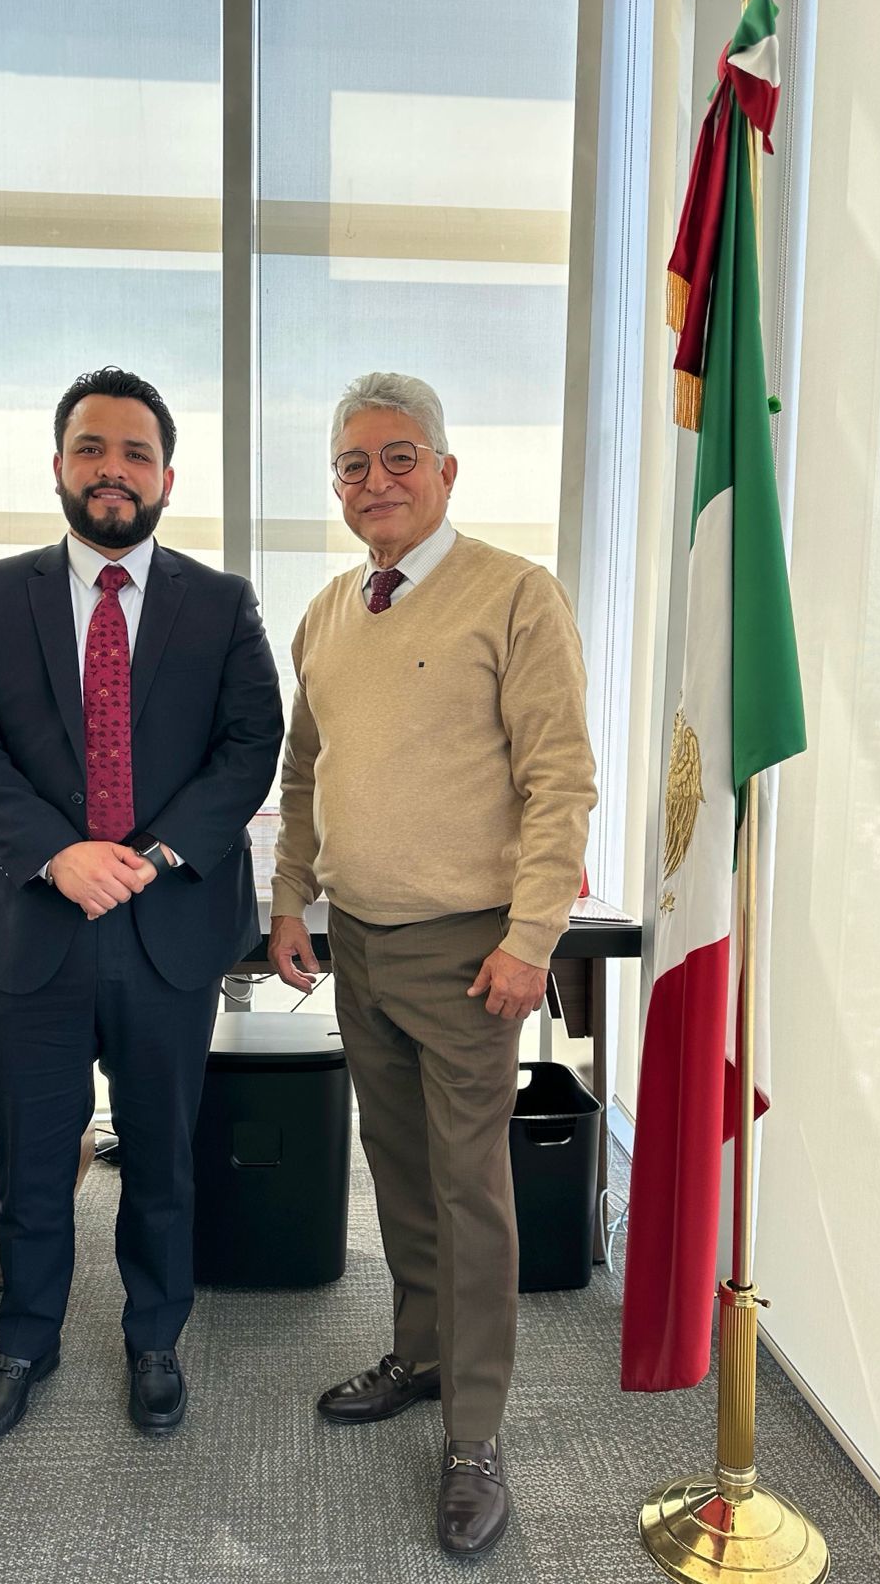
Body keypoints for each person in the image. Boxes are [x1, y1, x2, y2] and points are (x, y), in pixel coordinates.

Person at [269, 372, 596, 1557]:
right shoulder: (324, 614)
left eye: (397, 457)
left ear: (446, 470)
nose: (374, 482)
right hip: (356, 941)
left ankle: (474, 1429)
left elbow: (560, 779)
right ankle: (418, 1352)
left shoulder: (514, 595)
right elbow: (304, 777)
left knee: (470, 1192)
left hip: (471, 955)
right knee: (396, 1168)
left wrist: (529, 939)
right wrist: (290, 898)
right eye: (351, 465)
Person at [0, 366, 283, 1445]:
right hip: (32, 925)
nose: (113, 471)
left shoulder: (220, 605)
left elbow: (248, 748)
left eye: (135, 453)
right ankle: (24, 1340)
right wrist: (56, 855)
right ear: (59, 467)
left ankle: (154, 1338)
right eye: (92, 449)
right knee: (32, 1161)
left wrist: (156, 852)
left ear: (166, 475)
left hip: (165, 929)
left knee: (162, 1159)